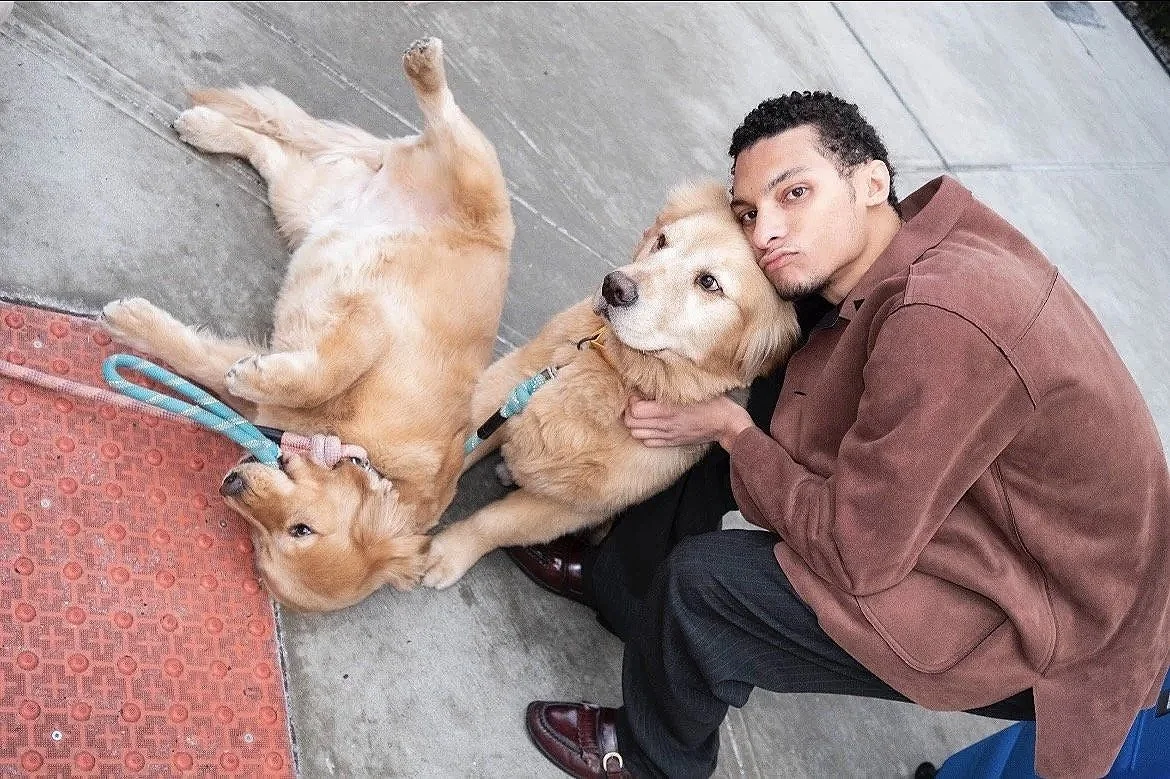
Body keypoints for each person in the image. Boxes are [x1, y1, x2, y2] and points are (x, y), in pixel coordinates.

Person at [512, 90, 1170, 779]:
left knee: (706, 588)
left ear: (872, 183)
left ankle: (651, 757)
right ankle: (623, 584)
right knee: (774, 387)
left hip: (1053, 614)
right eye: (750, 211)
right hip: (1008, 519)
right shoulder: (917, 235)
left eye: (794, 192)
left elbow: (855, 554)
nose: (764, 230)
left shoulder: (944, 322)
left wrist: (736, 433)